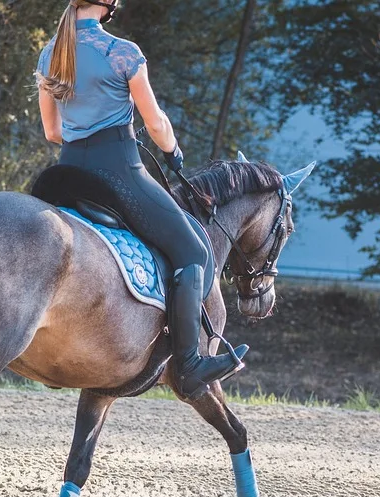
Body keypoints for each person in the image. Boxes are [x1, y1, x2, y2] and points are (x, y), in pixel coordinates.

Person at [35, 0, 247, 399]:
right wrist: (173, 151)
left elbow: (52, 130)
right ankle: (189, 362)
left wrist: (83, 139)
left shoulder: (51, 53)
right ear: (108, 4)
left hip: (66, 174)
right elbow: (155, 122)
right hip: (118, 172)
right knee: (193, 251)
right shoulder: (123, 53)